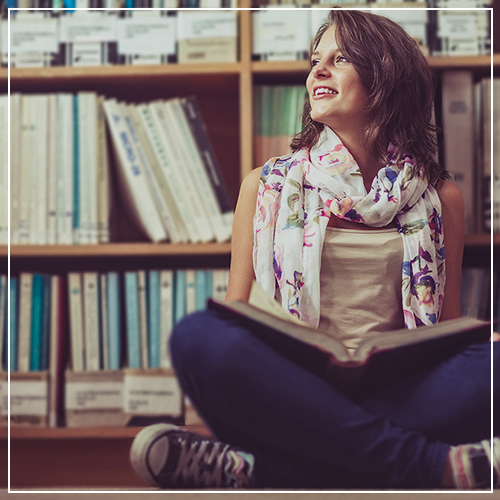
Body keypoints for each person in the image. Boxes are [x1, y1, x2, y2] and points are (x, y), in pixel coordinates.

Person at [129, 8, 499, 490]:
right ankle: (427, 466)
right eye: (314, 60)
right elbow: (236, 317)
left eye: (340, 58)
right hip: (291, 391)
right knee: (200, 337)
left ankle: (263, 471)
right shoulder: (263, 185)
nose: (317, 71)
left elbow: (443, 333)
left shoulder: (439, 197)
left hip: (400, 389)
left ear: (387, 77)